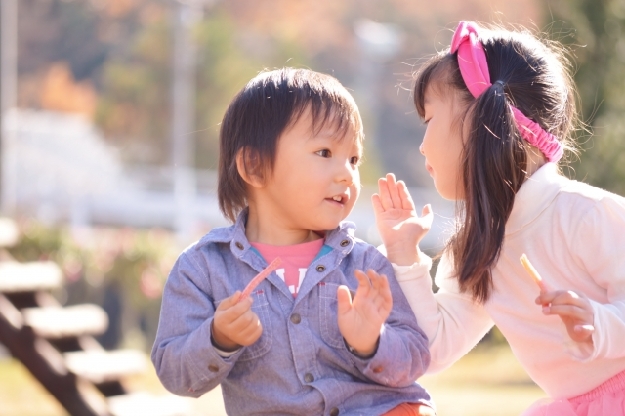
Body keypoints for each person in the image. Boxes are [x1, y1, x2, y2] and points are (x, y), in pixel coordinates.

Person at [373, 21, 625, 416]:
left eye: (429, 120)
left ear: (482, 118)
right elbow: (435, 348)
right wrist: (405, 255)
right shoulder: (477, 247)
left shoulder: (585, 214)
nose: (422, 145)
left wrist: (600, 323)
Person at [151, 68, 435, 416]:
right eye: (325, 152)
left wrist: (371, 342)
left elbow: (416, 357)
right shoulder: (204, 268)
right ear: (254, 166)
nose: (346, 172)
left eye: (354, 158)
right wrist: (217, 339)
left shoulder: (364, 266)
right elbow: (174, 373)